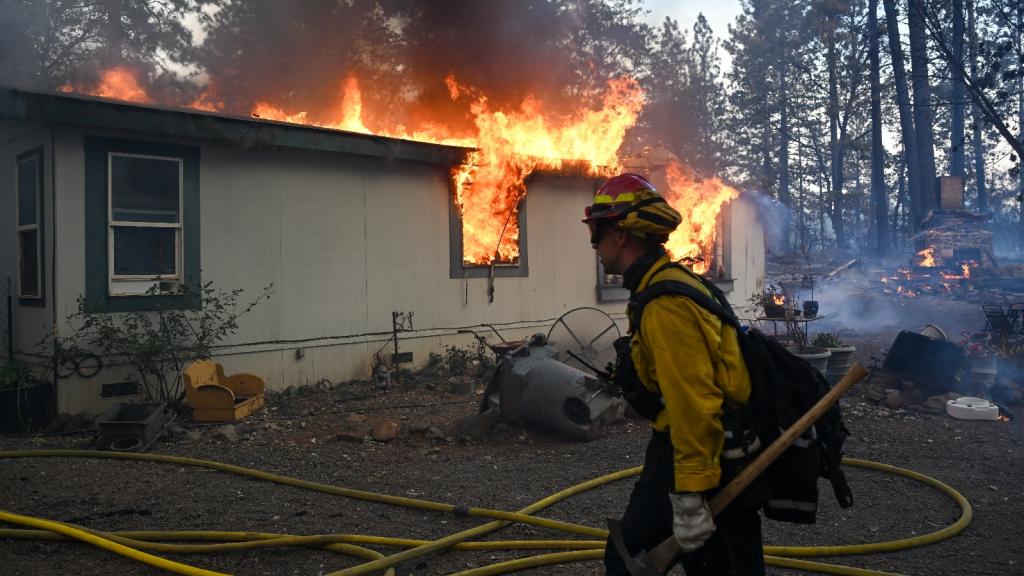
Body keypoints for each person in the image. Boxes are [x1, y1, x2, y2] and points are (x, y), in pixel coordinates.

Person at [583, 173, 765, 576]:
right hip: (676, 450)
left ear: (622, 233)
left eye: (597, 230)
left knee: (725, 566)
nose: (593, 242)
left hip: (711, 459)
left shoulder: (666, 303)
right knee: (628, 554)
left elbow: (695, 403)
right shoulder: (662, 286)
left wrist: (689, 495)